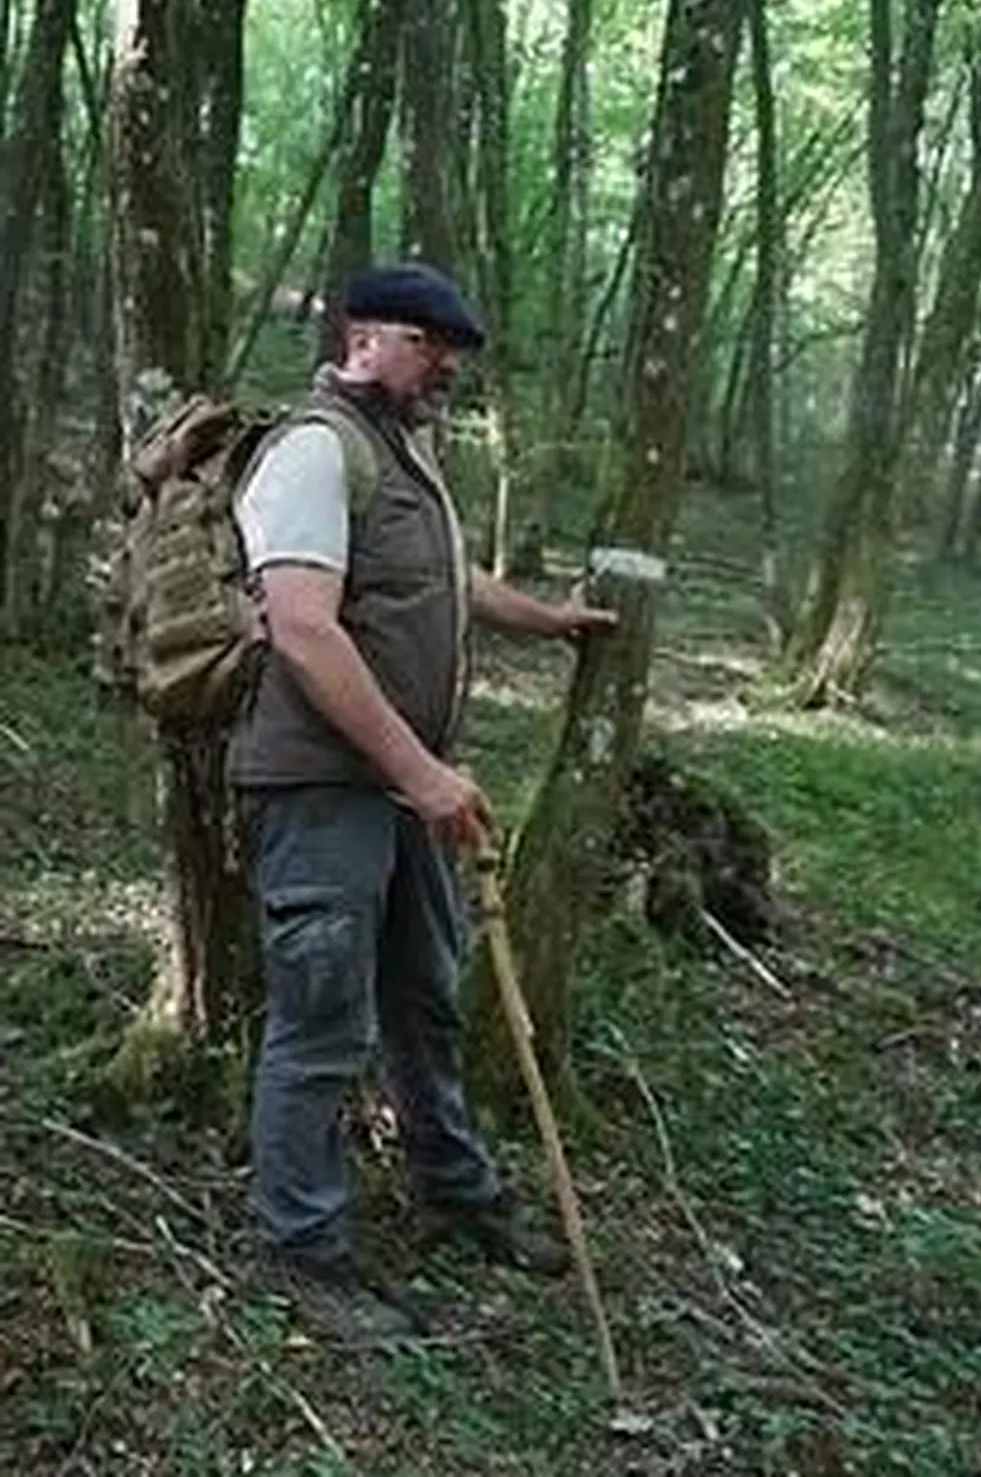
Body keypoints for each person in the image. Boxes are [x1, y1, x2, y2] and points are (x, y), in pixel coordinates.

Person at [228, 261, 614, 1344]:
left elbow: (439, 577)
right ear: (362, 336)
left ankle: (454, 1189)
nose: (446, 362)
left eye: (454, 349)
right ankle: (304, 1248)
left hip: (401, 788)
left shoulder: (409, 453)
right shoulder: (314, 449)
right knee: (322, 1027)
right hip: (323, 790)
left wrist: (542, 617)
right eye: (427, 341)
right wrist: (421, 772)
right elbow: (303, 624)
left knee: (428, 1002)